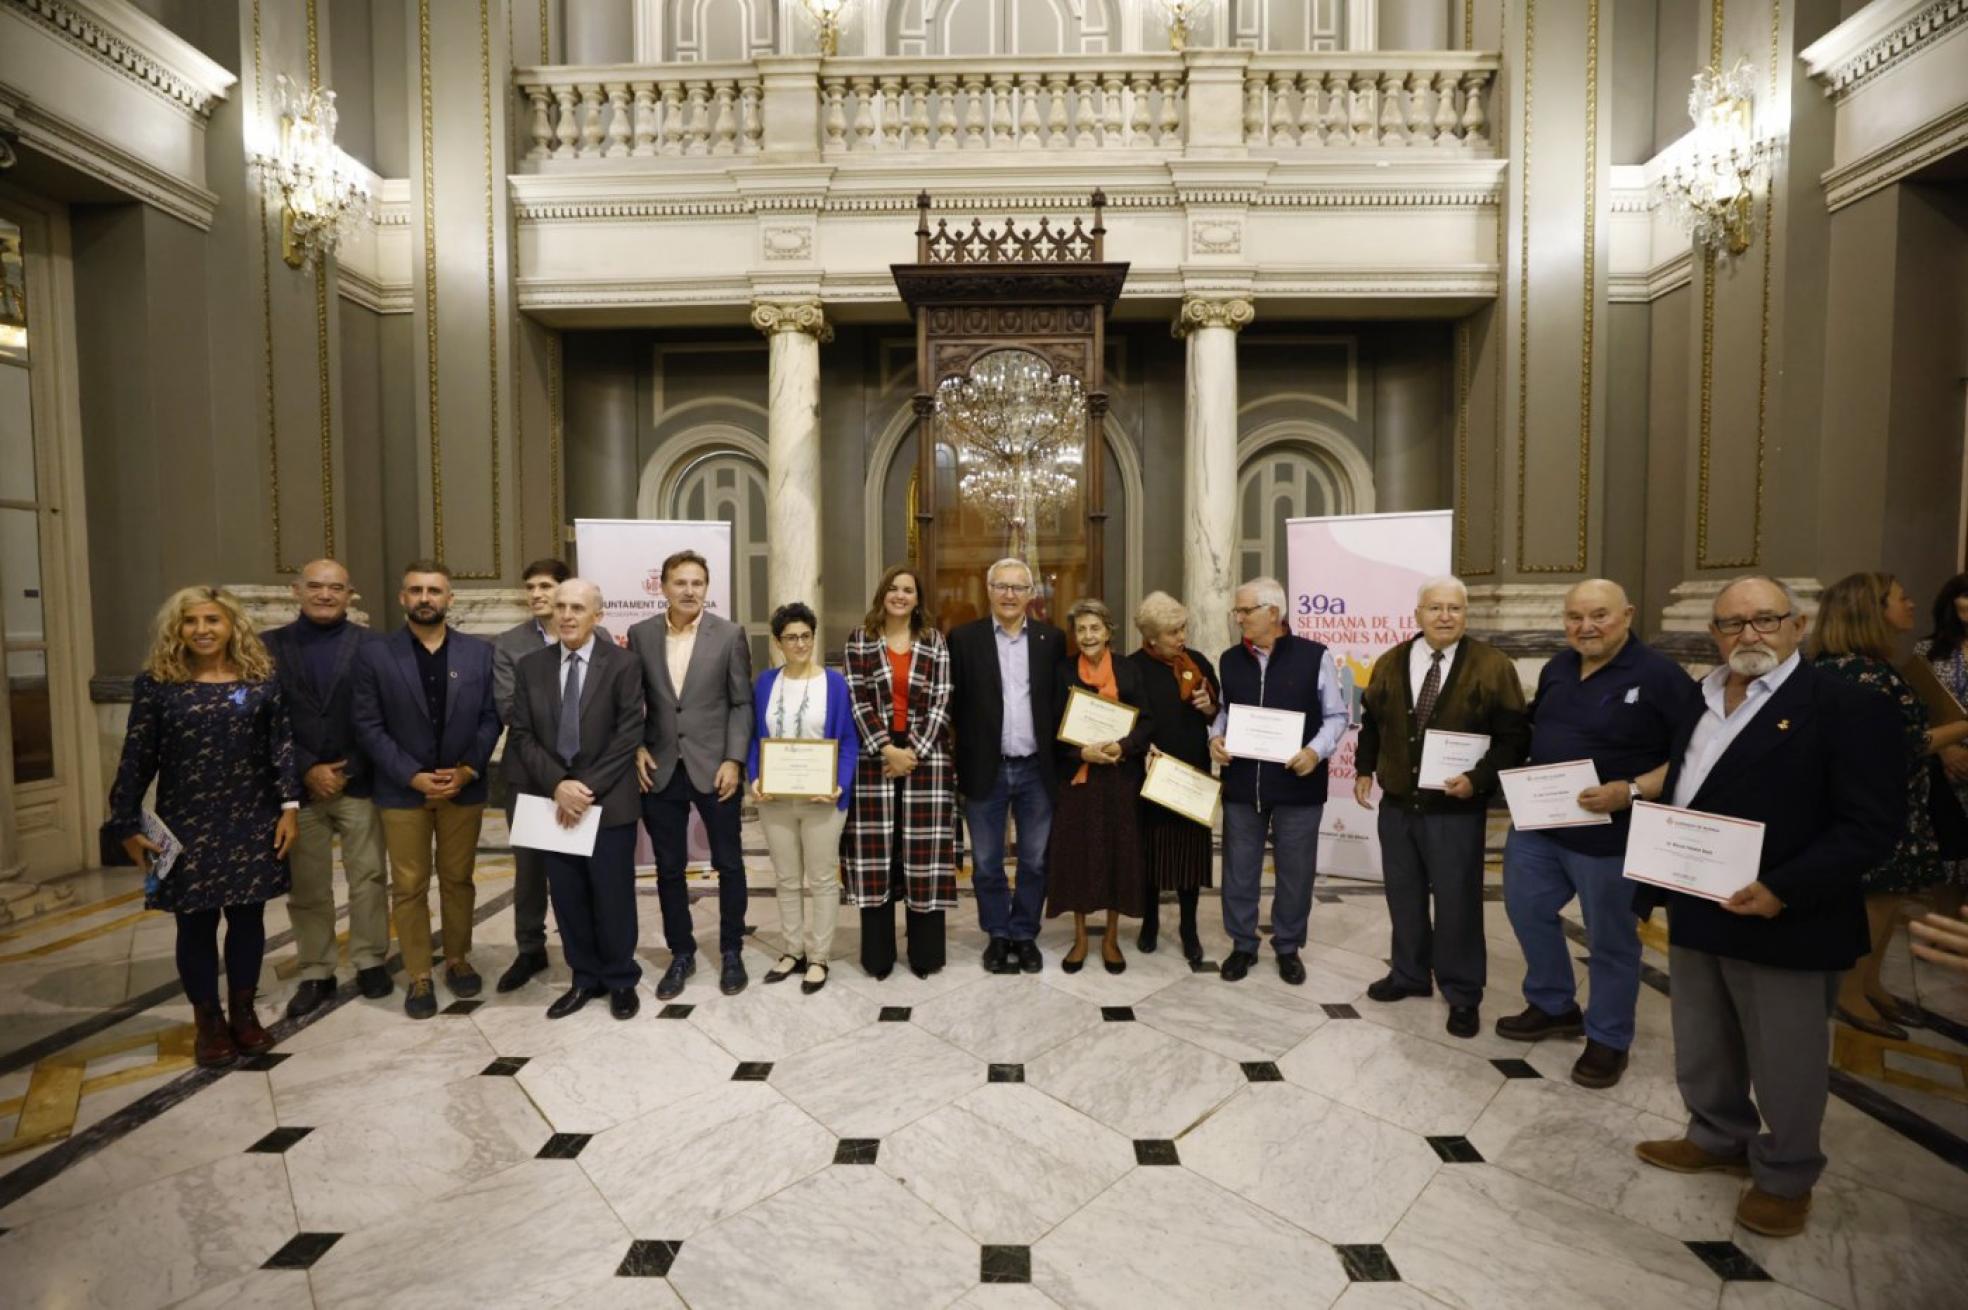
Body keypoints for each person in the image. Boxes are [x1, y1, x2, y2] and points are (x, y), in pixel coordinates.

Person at [1634, 576, 1903, 1239]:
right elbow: (1688, 794)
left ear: (1799, 624)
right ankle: (1717, 1134)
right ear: (1714, 634)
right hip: (1699, 903)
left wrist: (1784, 887)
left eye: (1764, 620)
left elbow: (1870, 827)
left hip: (1789, 917)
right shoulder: (1698, 700)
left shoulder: (1845, 706)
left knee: (1787, 1057)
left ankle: (1786, 1174)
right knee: (1703, 1039)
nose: (1748, 635)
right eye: (1732, 624)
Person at [1497, 579, 1701, 1088]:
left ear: (1627, 615)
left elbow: (1689, 757)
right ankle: (1552, 1003)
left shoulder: (1660, 676)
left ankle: (1609, 1038)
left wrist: (1629, 790)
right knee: (1525, 910)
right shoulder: (1557, 667)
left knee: (1611, 940)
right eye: (1574, 617)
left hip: (1612, 835)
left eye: (1599, 615)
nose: (1585, 626)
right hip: (1540, 827)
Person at [108, 587, 301, 1066]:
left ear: (231, 625)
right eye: (191, 621)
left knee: (247, 919)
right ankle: (208, 1022)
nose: (202, 630)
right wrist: (126, 820)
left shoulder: (261, 680)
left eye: (212, 620)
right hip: (184, 822)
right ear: (178, 629)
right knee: (194, 924)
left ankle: (243, 1012)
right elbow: (137, 756)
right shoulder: (157, 684)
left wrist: (290, 808)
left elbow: (281, 749)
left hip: (252, 816)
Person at [1353, 575, 1529, 1038]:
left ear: (1465, 615)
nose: (1445, 616)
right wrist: (1364, 768)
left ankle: (1463, 992)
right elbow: (1371, 721)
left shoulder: (1493, 666)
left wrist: (1478, 780)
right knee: (1403, 895)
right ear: (1418, 614)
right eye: (1435, 608)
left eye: (1454, 608)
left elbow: (1514, 738)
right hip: (1398, 806)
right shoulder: (1390, 662)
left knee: (1458, 904)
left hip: (1456, 811)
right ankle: (1409, 975)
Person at [1809, 572, 1968, 1039]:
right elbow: (1897, 745)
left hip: (1893, 800)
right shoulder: (1863, 674)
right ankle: (1850, 991)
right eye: (1902, 598)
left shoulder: (1861, 667)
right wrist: (1959, 731)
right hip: (1875, 804)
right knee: (1874, 901)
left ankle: (1871, 983)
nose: (1913, 605)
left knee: (1889, 896)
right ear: (1872, 610)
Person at [351, 561, 503, 1020]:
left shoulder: (479, 653)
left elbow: (491, 717)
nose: (425, 598)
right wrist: (410, 774)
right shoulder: (376, 654)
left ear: (449, 599)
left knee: (458, 879)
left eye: (434, 590)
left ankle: (457, 958)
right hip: (403, 791)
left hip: (463, 788)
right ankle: (419, 973)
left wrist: (467, 770)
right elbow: (367, 724)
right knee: (410, 886)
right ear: (403, 598)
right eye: (416, 590)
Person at [506, 579, 645, 1020]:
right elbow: (523, 735)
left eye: (577, 608)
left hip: (607, 802)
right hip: (552, 804)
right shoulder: (531, 667)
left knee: (613, 896)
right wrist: (558, 786)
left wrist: (583, 788)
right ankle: (584, 978)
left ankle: (621, 979)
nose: (566, 615)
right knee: (567, 896)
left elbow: (629, 734)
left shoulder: (624, 665)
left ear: (597, 616)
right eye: (561, 607)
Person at [263, 559, 391, 1018]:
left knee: (370, 877)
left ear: (349, 594)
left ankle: (370, 959)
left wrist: (347, 767)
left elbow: (383, 714)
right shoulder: (267, 648)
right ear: (296, 590)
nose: (324, 594)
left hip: (358, 783)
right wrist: (307, 767)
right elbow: (265, 721)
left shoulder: (374, 647)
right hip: (298, 790)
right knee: (308, 886)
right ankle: (316, 970)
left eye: (335, 588)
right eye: (315, 586)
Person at [1207, 576, 1350, 985]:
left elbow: (1336, 716)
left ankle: (1288, 946)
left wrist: (1314, 752)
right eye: (1237, 611)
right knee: (1238, 868)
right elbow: (1225, 712)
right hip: (1243, 785)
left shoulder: (1314, 655)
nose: (1238, 619)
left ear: (1274, 612)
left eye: (1245, 611)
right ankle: (1242, 945)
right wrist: (1215, 737)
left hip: (1297, 784)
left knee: (1295, 870)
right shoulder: (1230, 659)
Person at [629, 550, 754, 1000]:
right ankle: (681, 952)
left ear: (707, 588)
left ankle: (731, 949)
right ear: (662, 587)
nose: (688, 591)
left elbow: (741, 703)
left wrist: (734, 760)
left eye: (697, 583)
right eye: (679, 582)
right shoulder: (640, 635)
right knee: (668, 869)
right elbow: (631, 701)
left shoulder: (730, 635)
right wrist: (637, 746)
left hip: (714, 766)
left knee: (729, 864)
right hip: (660, 769)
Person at [491, 557, 612, 994]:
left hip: (587, 780)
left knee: (584, 868)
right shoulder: (509, 644)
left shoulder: (600, 641)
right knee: (530, 870)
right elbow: (510, 709)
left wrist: (577, 775)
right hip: (531, 775)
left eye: (548, 586)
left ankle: (591, 950)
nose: (539, 595)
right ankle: (530, 948)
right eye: (532, 587)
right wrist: (554, 775)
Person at [948, 558, 1069, 975]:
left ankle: (1024, 933)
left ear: (1031, 594)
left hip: (1037, 769)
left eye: (1018, 587)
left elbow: (1063, 701)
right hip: (986, 768)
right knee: (985, 862)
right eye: (1001, 586)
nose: (1009, 594)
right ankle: (998, 934)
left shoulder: (1051, 640)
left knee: (1035, 860)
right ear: (988, 590)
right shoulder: (963, 640)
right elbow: (952, 705)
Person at [841, 566, 957, 980]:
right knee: (877, 856)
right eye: (893, 588)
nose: (900, 595)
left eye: (908, 589)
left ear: (917, 598)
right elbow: (855, 698)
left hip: (926, 758)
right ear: (882, 594)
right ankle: (878, 956)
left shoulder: (934, 640)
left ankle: (925, 955)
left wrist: (913, 752)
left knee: (923, 855)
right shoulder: (860, 639)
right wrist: (887, 747)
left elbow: (943, 700)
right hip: (876, 757)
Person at [748, 603, 857, 995]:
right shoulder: (764, 683)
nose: (799, 643)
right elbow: (754, 738)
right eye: (791, 637)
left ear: (814, 637)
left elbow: (847, 741)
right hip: (775, 797)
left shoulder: (834, 683)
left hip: (821, 798)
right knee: (786, 877)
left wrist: (839, 784)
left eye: (806, 636)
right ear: (778, 643)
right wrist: (754, 777)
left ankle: (819, 955)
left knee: (824, 878)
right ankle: (792, 949)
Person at [1045, 598, 1156, 973]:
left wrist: (1122, 747)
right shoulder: (1061, 672)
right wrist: (1082, 755)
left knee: (1117, 856)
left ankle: (1110, 938)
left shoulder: (1128, 670)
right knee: (1076, 856)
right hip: (1078, 782)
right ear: (1074, 635)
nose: (1088, 635)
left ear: (1109, 631)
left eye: (1095, 628)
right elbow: (1051, 728)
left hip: (1120, 781)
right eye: (1081, 629)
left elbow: (1147, 722)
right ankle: (1079, 937)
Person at [1125, 591, 1220, 962]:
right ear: (1151, 636)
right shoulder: (1131, 667)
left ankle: (1189, 927)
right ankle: (1149, 923)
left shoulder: (1195, 662)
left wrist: (1209, 706)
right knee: (1150, 851)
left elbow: (1217, 711)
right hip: (1150, 773)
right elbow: (1127, 718)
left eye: (1182, 629)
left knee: (1190, 855)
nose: (1181, 638)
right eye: (1172, 632)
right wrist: (1140, 748)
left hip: (1192, 771)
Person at [1913, 572, 1968, 914]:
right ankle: (1944, 923)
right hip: (1942, 762)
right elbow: (1920, 706)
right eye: (1963, 611)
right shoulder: (1928, 650)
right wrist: (1946, 749)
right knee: (1948, 851)